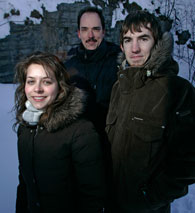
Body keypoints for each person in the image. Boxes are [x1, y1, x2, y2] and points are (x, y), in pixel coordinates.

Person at [106, 10, 195, 213]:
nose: (134, 48)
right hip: (111, 204)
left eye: (143, 38)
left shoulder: (177, 90)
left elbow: (189, 160)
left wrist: (151, 197)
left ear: (156, 42)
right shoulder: (118, 88)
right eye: (128, 40)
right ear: (121, 46)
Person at [13, 52, 106, 213]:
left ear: (60, 86)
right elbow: (25, 185)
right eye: (31, 81)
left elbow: (93, 198)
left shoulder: (81, 131)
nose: (38, 89)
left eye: (47, 81)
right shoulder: (26, 128)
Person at [64, 6, 121, 135]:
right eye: (85, 30)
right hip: (79, 142)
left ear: (103, 31)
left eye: (95, 29)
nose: (90, 36)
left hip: (113, 141)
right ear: (79, 33)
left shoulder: (120, 60)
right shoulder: (68, 67)